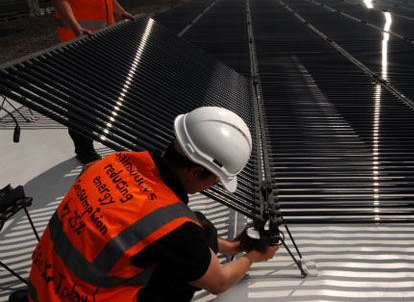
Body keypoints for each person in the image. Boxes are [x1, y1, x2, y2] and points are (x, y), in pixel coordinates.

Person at [24, 106, 279, 302]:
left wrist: (234, 246)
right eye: (215, 179)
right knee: (187, 256)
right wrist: (253, 257)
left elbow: (140, 233)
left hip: (42, 287)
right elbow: (219, 282)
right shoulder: (174, 228)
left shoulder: (107, 163)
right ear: (195, 171)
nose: (213, 186)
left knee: (195, 228)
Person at [49, 0, 135, 164]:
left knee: (111, 90)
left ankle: (133, 135)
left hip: (103, 39)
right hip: (79, 42)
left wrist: (120, 11)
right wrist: (75, 27)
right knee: (82, 98)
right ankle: (84, 150)